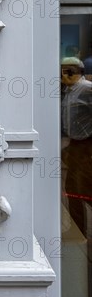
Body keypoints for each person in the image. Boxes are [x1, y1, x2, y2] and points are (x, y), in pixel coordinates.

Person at [61, 57, 92, 234]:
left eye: (69, 70)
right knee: (73, 191)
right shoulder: (69, 90)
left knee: (82, 189)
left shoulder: (87, 89)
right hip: (74, 146)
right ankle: (78, 230)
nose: (65, 74)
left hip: (85, 147)